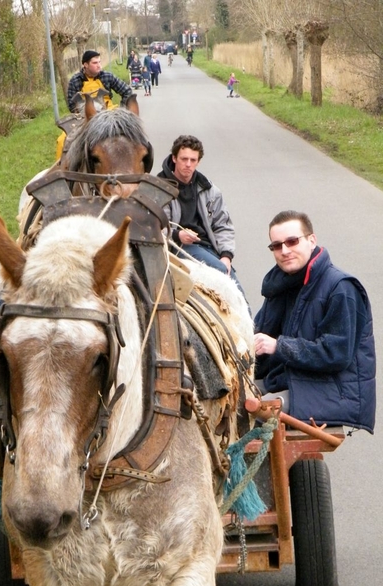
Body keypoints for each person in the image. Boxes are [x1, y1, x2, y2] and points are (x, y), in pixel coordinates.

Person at [254, 210, 376, 433]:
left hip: (334, 391)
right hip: (293, 378)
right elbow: (258, 330)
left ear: (312, 240)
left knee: (254, 412)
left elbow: (336, 354)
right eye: (277, 246)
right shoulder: (283, 283)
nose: (285, 251)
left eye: (292, 241)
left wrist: (278, 346)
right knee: (229, 398)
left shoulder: (342, 288)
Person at [157, 135, 245, 295]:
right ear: (174, 158)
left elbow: (223, 226)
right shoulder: (158, 189)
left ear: (198, 161)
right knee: (221, 271)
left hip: (208, 248)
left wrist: (226, 256)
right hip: (177, 248)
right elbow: (152, 226)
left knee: (235, 285)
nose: (188, 164)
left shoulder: (210, 190)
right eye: (184, 159)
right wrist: (177, 235)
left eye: (193, 160)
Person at [67, 50, 133, 113]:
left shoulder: (107, 76)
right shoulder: (75, 81)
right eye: (95, 63)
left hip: (109, 114)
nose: (99, 66)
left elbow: (127, 91)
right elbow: (71, 104)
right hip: (87, 117)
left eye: (99, 62)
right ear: (85, 65)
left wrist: (122, 110)